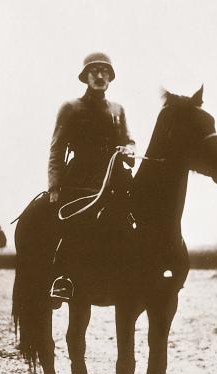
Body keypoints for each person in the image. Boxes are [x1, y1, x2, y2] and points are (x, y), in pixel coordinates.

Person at [47, 52, 136, 304]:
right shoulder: (71, 108)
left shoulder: (117, 109)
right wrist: (54, 186)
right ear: (86, 76)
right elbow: (57, 148)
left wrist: (129, 149)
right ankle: (63, 279)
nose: (99, 75)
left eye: (104, 71)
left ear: (110, 77)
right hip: (81, 179)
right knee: (77, 222)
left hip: (115, 177)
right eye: (94, 71)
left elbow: (128, 139)